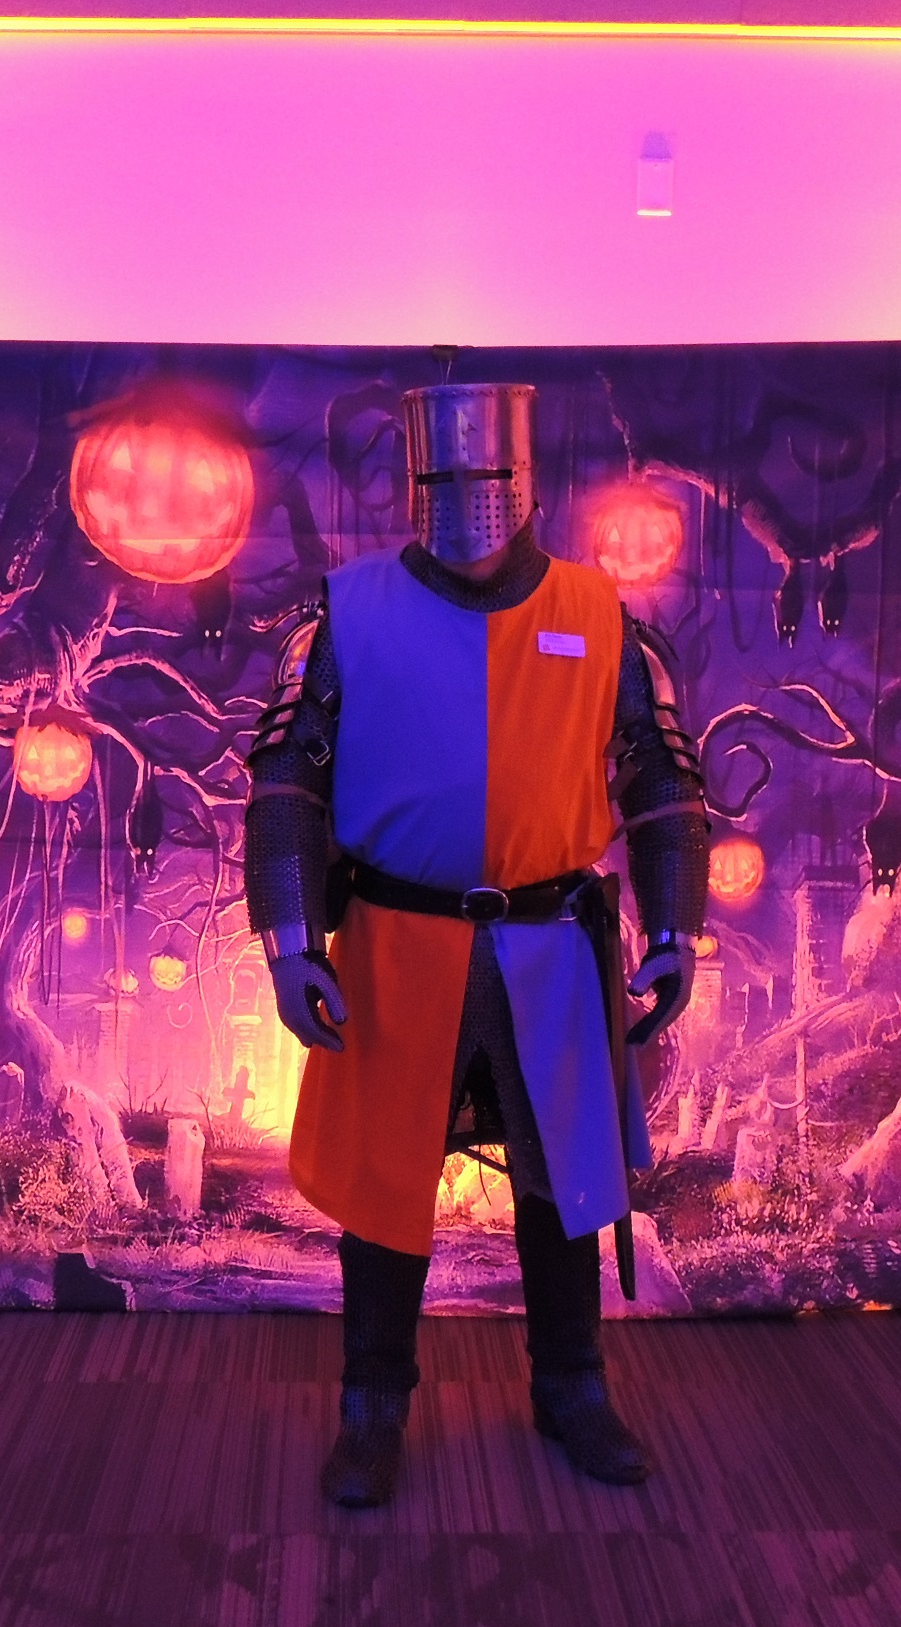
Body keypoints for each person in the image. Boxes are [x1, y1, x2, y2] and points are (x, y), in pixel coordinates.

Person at [243, 382, 712, 1508]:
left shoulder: (600, 614)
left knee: (562, 1182)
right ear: (413, 483)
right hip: (397, 944)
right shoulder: (346, 613)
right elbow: (287, 783)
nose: (467, 500)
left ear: (526, 479)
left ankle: (572, 1386)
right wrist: (293, 942)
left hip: (550, 945)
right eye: (443, 479)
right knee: (383, 1188)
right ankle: (372, 1404)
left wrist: (674, 930)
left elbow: (660, 781)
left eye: (486, 477)